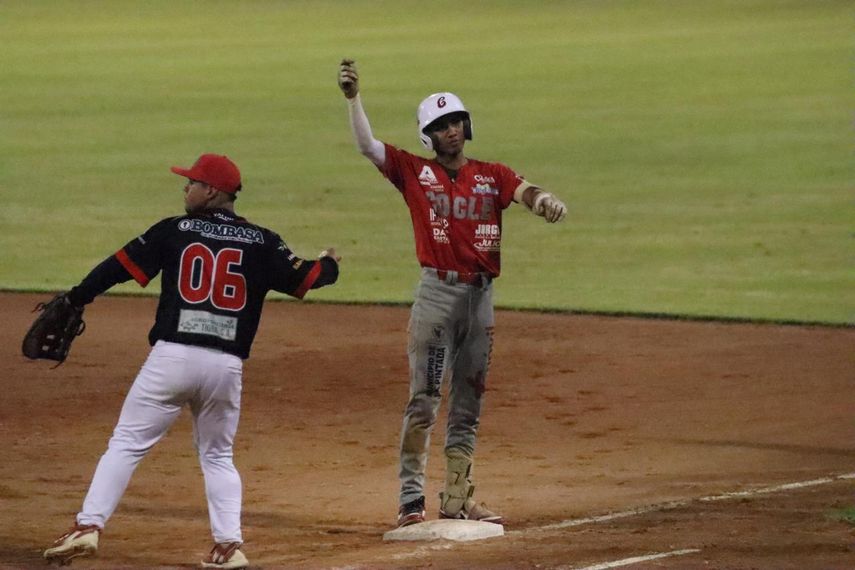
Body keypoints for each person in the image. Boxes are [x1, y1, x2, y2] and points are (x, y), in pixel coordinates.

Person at [42, 153, 340, 568]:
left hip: (173, 358)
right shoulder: (263, 241)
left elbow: (116, 268)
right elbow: (309, 278)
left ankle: (89, 526)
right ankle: (228, 546)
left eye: (192, 182)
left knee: (126, 443)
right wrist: (329, 262)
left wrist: (77, 297)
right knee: (218, 455)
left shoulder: (174, 230)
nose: (185, 188)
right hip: (225, 368)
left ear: (212, 192)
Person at [337, 59, 567, 528]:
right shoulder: (412, 173)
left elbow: (525, 189)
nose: (451, 132)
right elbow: (366, 145)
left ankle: (458, 498)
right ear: (428, 135)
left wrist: (543, 202)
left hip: (481, 300)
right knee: (424, 397)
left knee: (469, 401)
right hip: (437, 298)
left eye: (455, 122)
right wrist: (353, 99)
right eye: (440, 126)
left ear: (467, 124)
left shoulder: (491, 173)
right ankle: (409, 502)